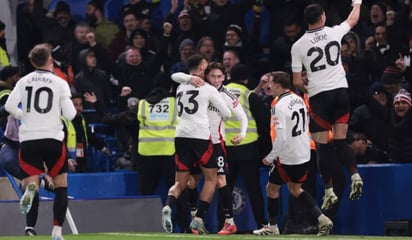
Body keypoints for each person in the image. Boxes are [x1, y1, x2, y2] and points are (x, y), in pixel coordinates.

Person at [291, 1, 364, 213]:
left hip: (319, 96)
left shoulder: (298, 46)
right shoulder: (333, 32)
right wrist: (357, 2)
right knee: (341, 142)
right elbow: (353, 19)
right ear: (323, 17)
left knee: (323, 146)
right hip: (340, 92)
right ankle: (355, 174)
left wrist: (308, 89)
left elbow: (296, 81)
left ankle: (329, 189)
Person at [4, 43, 76, 240]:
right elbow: (70, 115)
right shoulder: (60, 82)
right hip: (52, 138)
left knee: (32, 177)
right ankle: (56, 231)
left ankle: (32, 186)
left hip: (29, 139)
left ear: (31, 61)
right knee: (60, 185)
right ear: (50, 60)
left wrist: (23, 115)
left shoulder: (23, 81)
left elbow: (10, 106)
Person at [171, 61, 248, 235]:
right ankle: (195, 219)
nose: (216, 80)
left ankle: (229, 222)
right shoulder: (197, 86)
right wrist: (190, 77)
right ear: (206, 75)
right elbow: (176, 77)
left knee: (220, 181)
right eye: (212, 76)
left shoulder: (226, 94)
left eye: (219, 76)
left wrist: (242, 134)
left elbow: (242, 116)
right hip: (196, 140)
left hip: (215, 143)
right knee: (191, 182)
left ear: (225, 77)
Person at [253, 71, 333, 236]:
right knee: (295, 188)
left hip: (288, 155)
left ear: (277, 85)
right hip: (304, 152)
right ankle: (322, 218)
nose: (269, 87)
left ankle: (273, 227)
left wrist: (270, 157)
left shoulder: (279, 106)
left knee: (271, 189)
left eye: (270, 83)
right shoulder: (299, 99)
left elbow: (281, 138)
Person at [161, 55, 231, 234]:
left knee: (180, 182)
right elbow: (227, 113)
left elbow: (175, 76)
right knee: (211, 178)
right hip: (200, 137)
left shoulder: (181, 86)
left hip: (180, 136)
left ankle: (168, 205)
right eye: (205, 67)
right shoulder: (208, 89)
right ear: (200, 68)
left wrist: (187, 78)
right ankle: (198, 218)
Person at [224, 63, 272, 232]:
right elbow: (265, 119)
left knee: (225, 188)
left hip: (226, 148)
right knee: (254, 188)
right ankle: (261, 224)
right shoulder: (247, 94)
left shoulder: (220, 93)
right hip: (248, 148)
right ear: (246, 78)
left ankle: (222, 224)